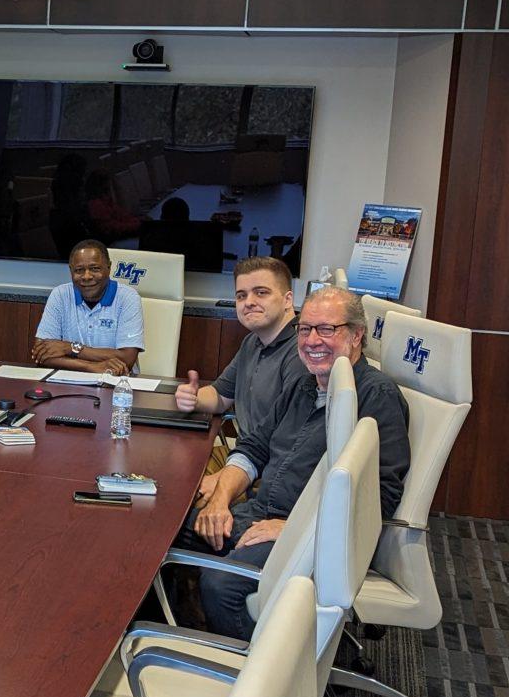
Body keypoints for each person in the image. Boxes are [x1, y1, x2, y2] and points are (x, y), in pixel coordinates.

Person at [184, 286, 410, 640]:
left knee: (222, 585)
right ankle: (194, 642)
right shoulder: (304, 384)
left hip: (313, 537)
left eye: (327, 329)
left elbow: (379, 494)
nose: (311, 340)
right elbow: (254, 448)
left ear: (356, 336)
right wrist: (220, 499)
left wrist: (295, 530)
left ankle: (257, 683)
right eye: (305, 329)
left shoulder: (375, 397)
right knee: (167, 527)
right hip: (259, 514)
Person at [174, 256, 303, 440]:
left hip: (265, 462)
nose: (248, 302)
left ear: (288, 300)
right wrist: (193, 398)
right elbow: (220, 396)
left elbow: (288, 439)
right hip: (246, 454)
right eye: (241, 295)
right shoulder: (252, 342)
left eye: (261, 292)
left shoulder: (302, 350)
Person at [30, 239, 145, 376]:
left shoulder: (128, 297)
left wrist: (69, 348)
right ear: (71, 271)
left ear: (109, 268)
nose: (86, 276)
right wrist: (92, 367)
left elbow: (127, 358)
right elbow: (42, 354)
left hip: (119, 385)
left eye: (94, 268)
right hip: (68, 382)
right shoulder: (60, 294)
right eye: (79, 270)